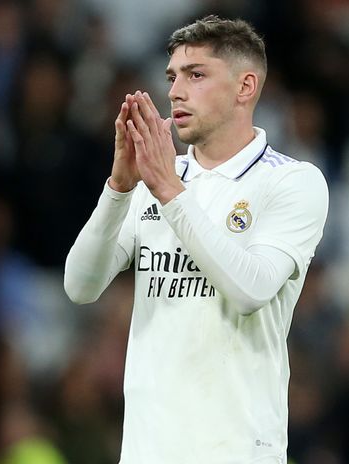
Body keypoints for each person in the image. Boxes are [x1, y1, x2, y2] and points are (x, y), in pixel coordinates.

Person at [63, 16, 328, 462]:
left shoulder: (292, 182)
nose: (175, 91)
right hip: (147, 449)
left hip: (237, 448)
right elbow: (80, 287)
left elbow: (251, 289)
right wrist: (119, 189)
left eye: (196, 75)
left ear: (245, 87)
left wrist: (169, 189)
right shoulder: (154, 180)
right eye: (172, 77)